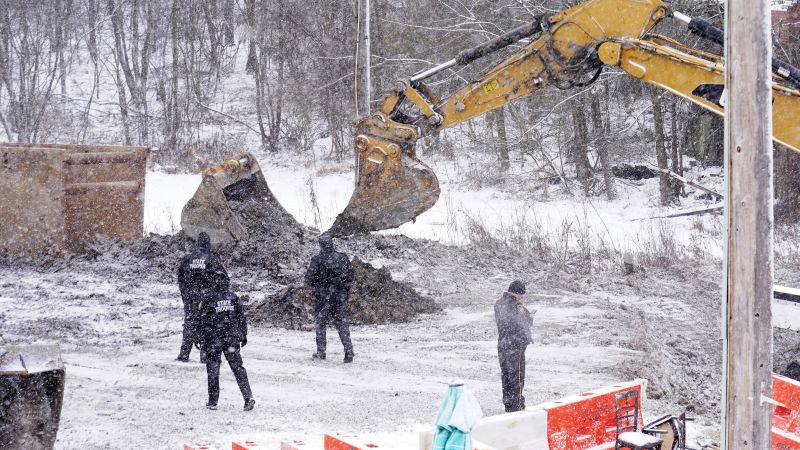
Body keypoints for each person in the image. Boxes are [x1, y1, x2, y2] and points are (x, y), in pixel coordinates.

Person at [198, 285, 255, 411]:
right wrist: (243, 334)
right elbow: (241, 317)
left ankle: (213, 401)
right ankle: (248, 397)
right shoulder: (233, 297)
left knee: (213, 369)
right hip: (231, 337)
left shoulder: (208, 298)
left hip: (213, 339)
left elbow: (202, 320)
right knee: (238, 368)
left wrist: (200, 338)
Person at [176, 232, 229, 363]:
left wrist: (185, 295)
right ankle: (205, 356)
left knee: (189, 323)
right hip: (207, 297)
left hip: (191, 297)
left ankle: (184, 354)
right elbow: (223, 279)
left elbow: (180, 278)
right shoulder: (212, 259)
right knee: (207, 324)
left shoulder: (188, 259)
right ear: (208, 243)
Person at [304, 234, 355, 363]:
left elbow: (308, 279)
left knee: (320, 324)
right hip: (340, 296)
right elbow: (350, 275)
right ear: (332, 244)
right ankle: (348, 350)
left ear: (321, 245)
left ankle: (321, 352)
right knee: (342, 324)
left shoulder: (317, 260)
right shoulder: (343, 258)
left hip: (323, 297)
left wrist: (319, 283)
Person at [494, 280, 534, 413]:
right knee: (517, 376)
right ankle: (517, 407)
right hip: (515, 345)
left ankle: (508, 405)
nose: (522, 296)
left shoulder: (498, 303)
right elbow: (524, 321)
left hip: (503, 344)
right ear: (516, 292)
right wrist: (531, 317)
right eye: (521, 293)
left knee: (505, 375)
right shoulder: (517, 305)